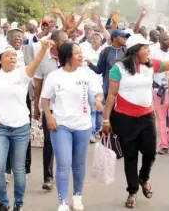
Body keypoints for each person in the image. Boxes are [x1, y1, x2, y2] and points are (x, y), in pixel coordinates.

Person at [0, 30, 53, 211]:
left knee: (18, 169)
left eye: (15, 56)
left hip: (20, 128)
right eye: (8, 56)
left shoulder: (23, 74)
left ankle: (18, 203)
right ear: (0, 60)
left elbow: (36, 61)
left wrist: (44, 47)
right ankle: (3, 202)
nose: (13, 57)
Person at [102, 34, 169, 209]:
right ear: (136, 50)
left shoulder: (151, 65)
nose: (149, 51)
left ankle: (143, 178)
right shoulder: (118, 68)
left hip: (146, 117)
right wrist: (106, 120)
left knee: (150, 152)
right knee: (130, 156)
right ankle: (133, 191)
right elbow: (111, 95)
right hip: (124, 119)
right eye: (145, 48)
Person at [41, 41, 104, 211]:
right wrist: (49, 116)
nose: (81, 56)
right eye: (77, 53)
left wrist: (97, 101)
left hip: (83, 125)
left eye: (81, 52)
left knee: (78, 163)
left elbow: (98, 92)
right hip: (61, 125)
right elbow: (45, 98)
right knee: (63, 162)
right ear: (67, 56)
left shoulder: (86, 74)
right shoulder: (55, 76)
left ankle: (77, 196)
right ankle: (62, 202)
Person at [33, 30, 68, 191]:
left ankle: (64, 174)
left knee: (65, 143)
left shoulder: (69, 58)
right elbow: (38, 84)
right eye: (63, 41)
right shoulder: (43, 60)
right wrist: (36, 106)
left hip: (68, 108)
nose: (67, 44)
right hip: (50, 108)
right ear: (53, 42)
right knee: (49, 142)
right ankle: (48, 177)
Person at [151, 32, 169, 155]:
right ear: (160, 41)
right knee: (161, 119)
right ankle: (164, 145)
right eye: (166, 39)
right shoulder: (153, 54)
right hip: (159, 91)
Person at [88, 29, 129, 98]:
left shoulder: (127, 52)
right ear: (115, 39)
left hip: (123, 91)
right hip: (108, 90)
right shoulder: (105, 52)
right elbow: (99, 70)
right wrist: (90, 65)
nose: (125, 38)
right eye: (123, 36)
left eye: (126, 37)